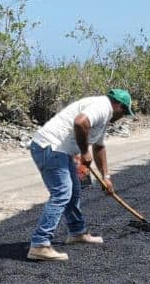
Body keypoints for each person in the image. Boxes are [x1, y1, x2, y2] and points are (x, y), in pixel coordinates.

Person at [27, 89, 133, 262]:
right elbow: (79, 122)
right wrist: (84, 152)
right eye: (124, 112)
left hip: (61, 151)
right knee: (62, 192)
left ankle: (77, 233)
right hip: (50, 148)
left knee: (74, 190)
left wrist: (106, 177)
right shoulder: (102, 106)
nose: (122, 116)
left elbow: (99, 147)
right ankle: (39, 244)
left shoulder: (103, 116)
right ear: (118, 105)